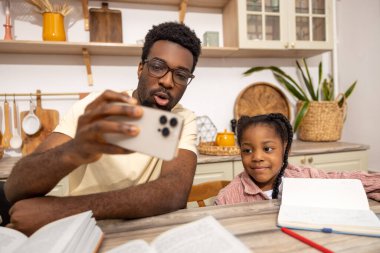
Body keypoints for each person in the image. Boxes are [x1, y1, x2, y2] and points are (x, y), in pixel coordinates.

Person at [4, 22, 201, 235]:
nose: (167, 81)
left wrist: (61, 210)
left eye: (181, 75)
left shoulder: (184, 119)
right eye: (157, 66)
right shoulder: (96, 108)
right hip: (85, 233)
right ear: (140, 68)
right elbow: (15, 187)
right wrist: (77, 149)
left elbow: (173, 192)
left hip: (144, 233)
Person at [215, 113, 380, 205]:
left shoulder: (303, 176)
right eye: (247, 150)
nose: (257, 157)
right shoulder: (229, 197)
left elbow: (345, 180)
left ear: (285, 148)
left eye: (267, 149)